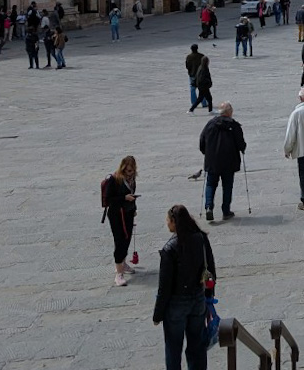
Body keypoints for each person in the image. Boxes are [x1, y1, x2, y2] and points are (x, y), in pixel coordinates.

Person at [152, 204, 215, 370]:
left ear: (174, 222)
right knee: (197, 346)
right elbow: (211, 271)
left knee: (173, 348)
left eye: (168, 221)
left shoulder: (169, 249)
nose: (167, 224)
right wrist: (208, 295)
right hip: (198, 300)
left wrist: (157, 315)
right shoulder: (201, 238)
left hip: (176, 304)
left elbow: (164, 287)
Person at [198, 102, 246, 221]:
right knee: (227, 186)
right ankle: (226, 211)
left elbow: (202, 141)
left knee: (210, 184)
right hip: (229, 161)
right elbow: (241, 144)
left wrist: (206, 153)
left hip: (212, 161)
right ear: (229, 112)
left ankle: (209, 207)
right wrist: (242, 148)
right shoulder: (234, 125)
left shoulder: (210, 124)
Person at [104, 155, 138, 286]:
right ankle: (119, 274)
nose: (130, 173)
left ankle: (122, 263)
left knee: (127, 238)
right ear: (123, 168)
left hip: (128, 212)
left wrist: (134, 207)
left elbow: (132, 194)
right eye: (128, 171)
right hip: (116, 214)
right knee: (120, 241)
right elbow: (109, 199)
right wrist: (124, 198)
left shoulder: (132, 179)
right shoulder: (114, 179)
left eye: (132, 170)